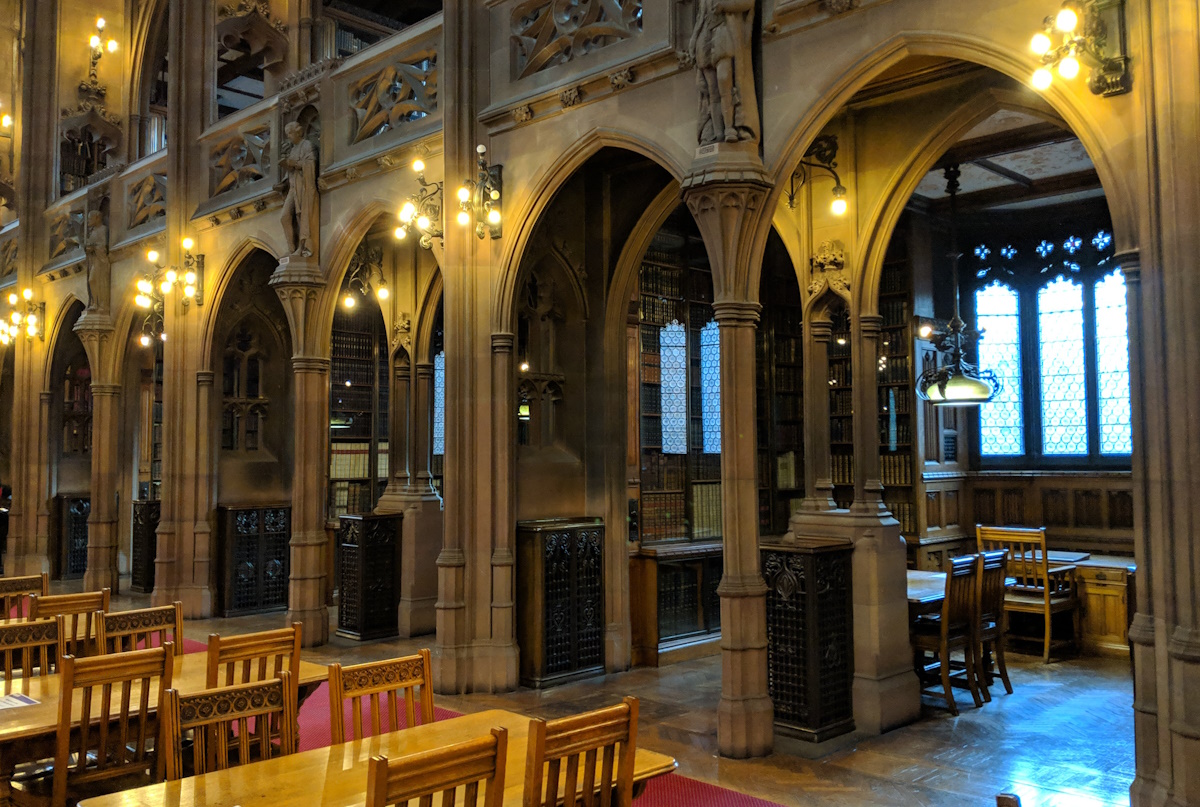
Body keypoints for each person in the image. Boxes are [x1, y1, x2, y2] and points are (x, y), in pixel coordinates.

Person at [689, 0, 760, 145]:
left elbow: (748, 3)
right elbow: (700, 18)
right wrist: (693, 40)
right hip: (704, 39)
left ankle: (731, 128)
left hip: (724, 33)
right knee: (712, 91)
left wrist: (725, 5)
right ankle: (718, 132)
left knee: (725, 81)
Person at [279, 121, 318, 258]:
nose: (288, 136)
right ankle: (291, 248)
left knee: (302, 216)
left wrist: (295, 164)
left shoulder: (307, 145)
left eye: (290, 133)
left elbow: (311, 164)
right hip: (292, 188)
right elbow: (289, 173)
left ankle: (302, 248)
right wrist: (282, 185)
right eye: (287, 134)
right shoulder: (292, 150)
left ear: (298, 132)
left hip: (304, 187)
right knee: (284, 216)